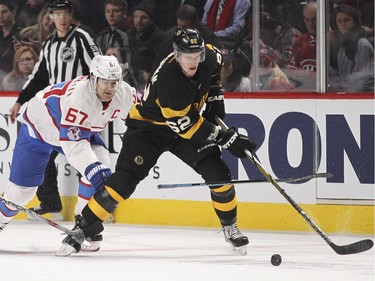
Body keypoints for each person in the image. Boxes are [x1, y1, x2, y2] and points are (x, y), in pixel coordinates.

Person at [57, 28, 256, 257]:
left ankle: (230, 227)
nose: (193, 61)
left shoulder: (210, 56)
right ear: (176, 55)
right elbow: (186, 126)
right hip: (148, 130)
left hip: (183, 124)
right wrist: (225, 137)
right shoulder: (170, 80)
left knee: (219, 174)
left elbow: (215, 70)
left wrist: (214, 94)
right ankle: (80, 230)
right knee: (123, 183)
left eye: (197, 55)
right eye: (187, 56)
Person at [0, 55, 135, 251]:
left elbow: (147, 112)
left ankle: (84, 224)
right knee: (22, 192)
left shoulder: (124, 93)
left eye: (114, 82)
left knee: (101, 162)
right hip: (39, 129)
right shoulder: (77, 98)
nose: (110, 88)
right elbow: (75, 147)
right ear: (93, 79)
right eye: (106, 82)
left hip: (76, 130)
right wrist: (95, 174)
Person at [8, 0, 102, 219]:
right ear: (50, 17)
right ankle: (50, 204)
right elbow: (40, 77)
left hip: (79, 110)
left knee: (83, 156)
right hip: (55, 111)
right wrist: (20, 101)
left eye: (64, 14)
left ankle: (95, 208)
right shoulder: (49, 44)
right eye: (56, 14)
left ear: (70, 16)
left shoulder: (81, 38)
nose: (61, 18)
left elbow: (98, 66)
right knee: (44, 153)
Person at [329, 4, 374, 92]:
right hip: (344, 93)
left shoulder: (362, 44)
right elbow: (333, 71)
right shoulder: (337, 44)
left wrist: (343, 87)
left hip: (362, 96)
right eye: (339, 21)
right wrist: (338, 86)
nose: (343, 24)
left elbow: (363, 77)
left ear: (355, 22)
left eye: (347, 20)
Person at [126, 0, 168, 90]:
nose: (139, 21)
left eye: (143, 17)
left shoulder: (161, 38)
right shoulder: (128, 35)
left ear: (152, 20)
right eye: (136, 17)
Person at [0, 0, 21, 85]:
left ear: (13, 13)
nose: (0, 16)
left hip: (13, 81)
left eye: (4, 12)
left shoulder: (21, 34)